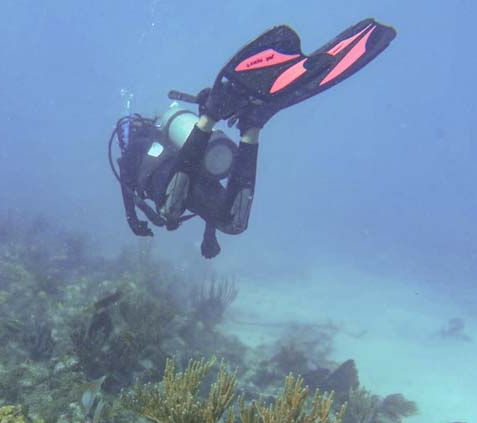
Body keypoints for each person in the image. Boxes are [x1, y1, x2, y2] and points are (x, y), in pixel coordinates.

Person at [109, 19, 396, 258]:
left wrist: (132, 219)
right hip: (189, 173)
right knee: (233, 223)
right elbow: (199, 179)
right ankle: (251, 128)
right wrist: (210, 233)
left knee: (170, 208)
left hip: (173, 184)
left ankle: (209, 118)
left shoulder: (135, 144)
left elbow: (129, 180)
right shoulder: (155, 139)